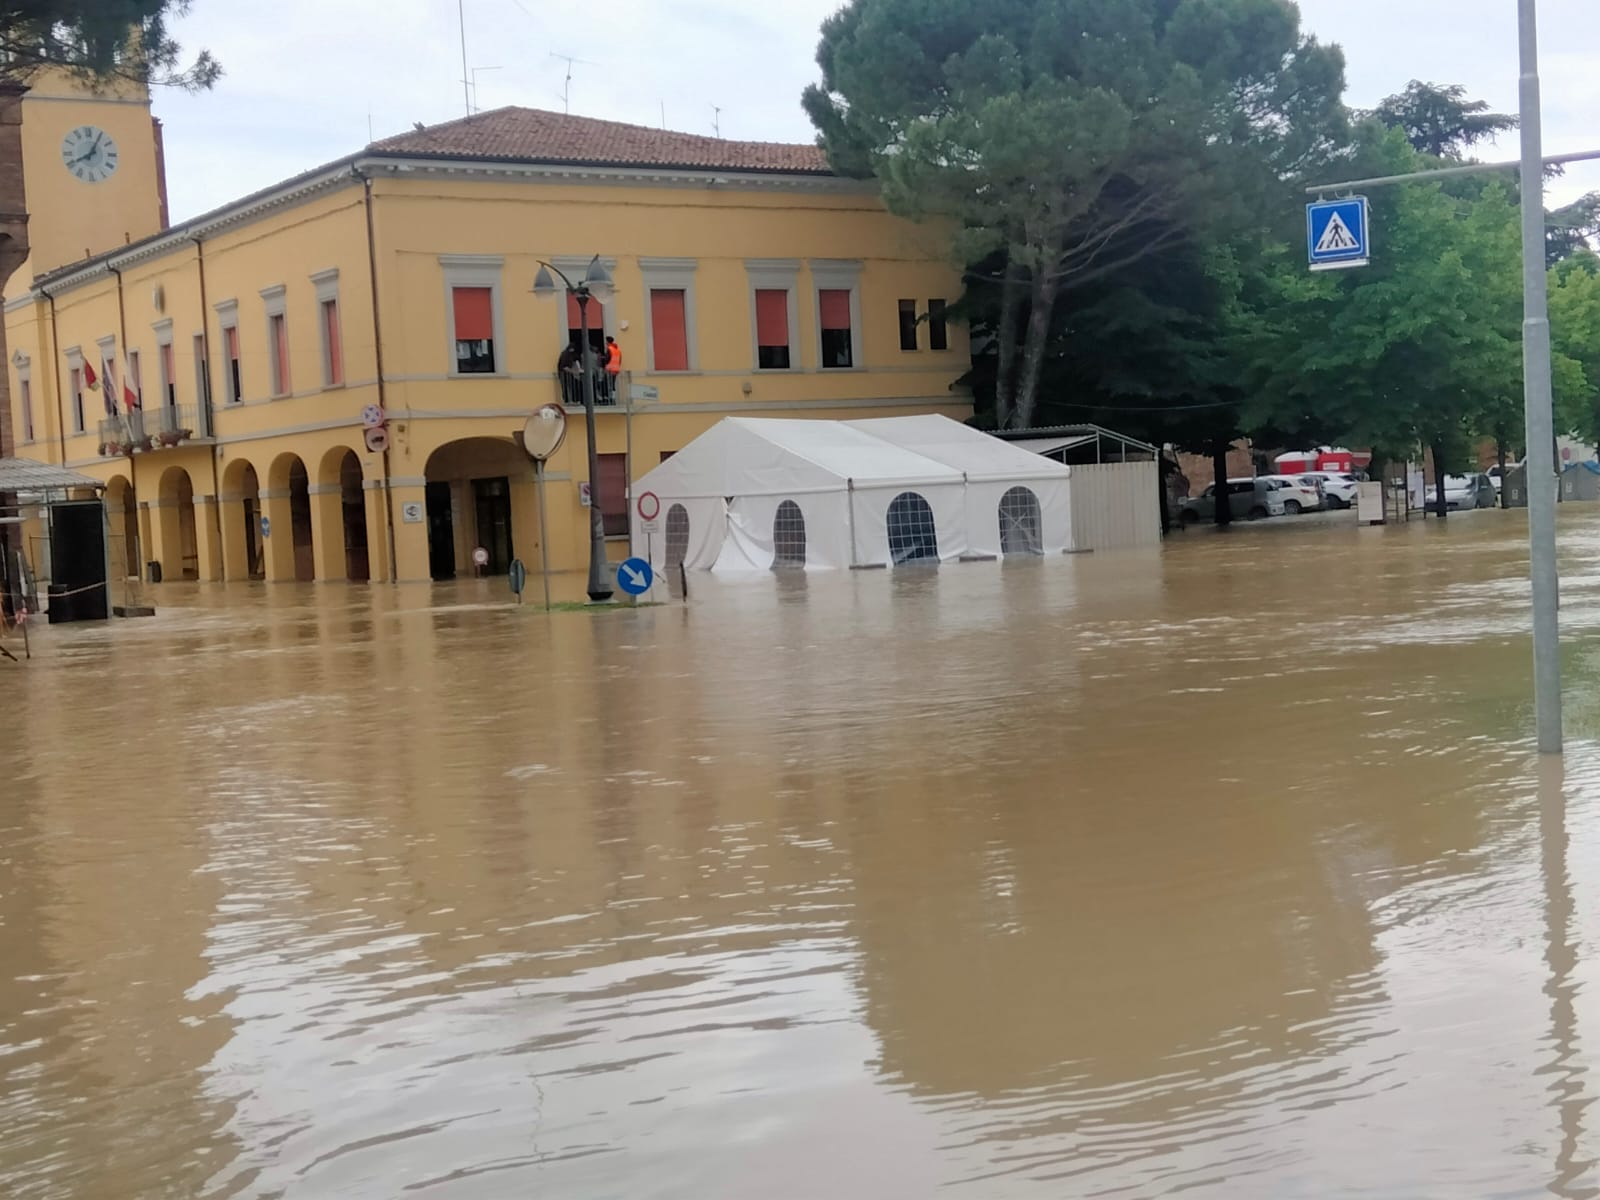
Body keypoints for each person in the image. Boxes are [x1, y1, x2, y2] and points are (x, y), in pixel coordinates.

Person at [603, 336, 622, 401]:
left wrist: (603, 359)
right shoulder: (617, 350)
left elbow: (607, 359)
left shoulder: (609, 349)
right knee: (612, 383)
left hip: (610, 369)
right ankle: (613, 397)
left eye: (606, 342)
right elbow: (619, 360)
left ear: (607, 342)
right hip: (616, 369)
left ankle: (608, 398)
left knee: (606, 383)